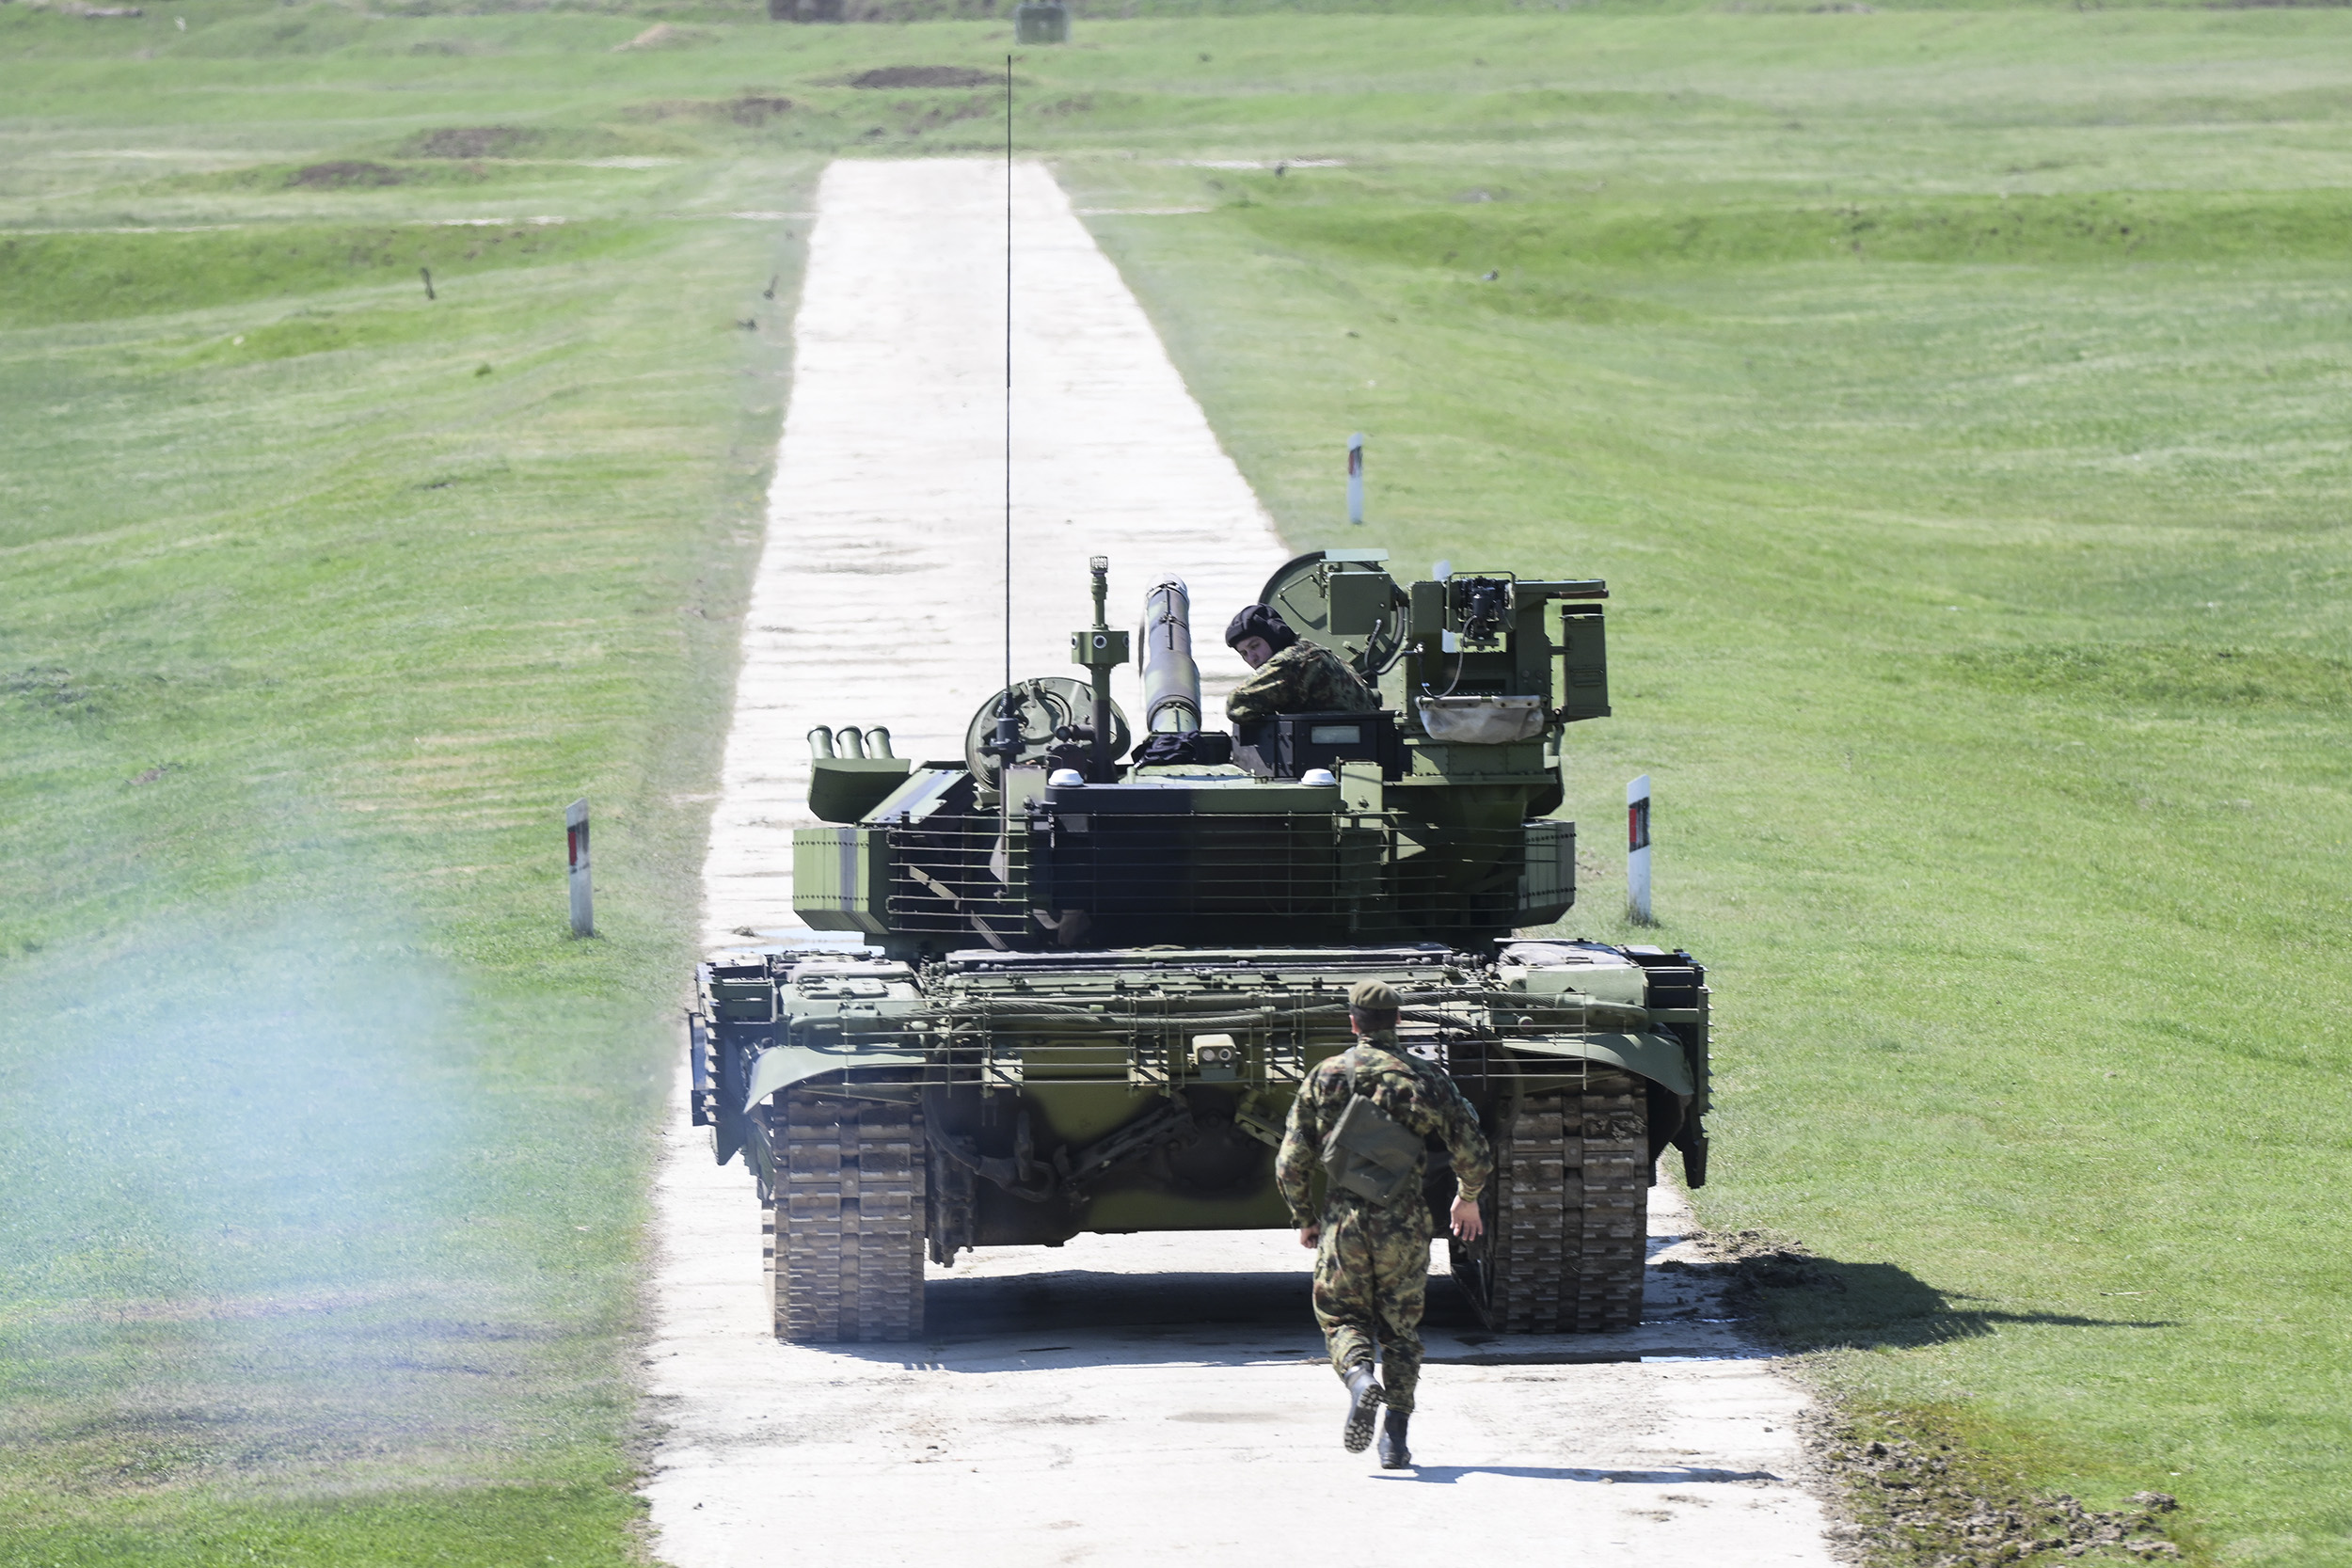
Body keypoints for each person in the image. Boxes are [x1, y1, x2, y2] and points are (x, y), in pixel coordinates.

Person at [1276, 978, 1492, 1469]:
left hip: (1343, 1220)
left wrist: (1305, 1218)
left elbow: (1291, 1162)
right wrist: (1468, 1199)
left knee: (1341, 1318)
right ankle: (1395, 1437)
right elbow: (1472, 1151)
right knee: (1401, 1330)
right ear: (1399, 1020)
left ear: (1352, 1022)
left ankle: (1358, 1378)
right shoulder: (1426, 1078)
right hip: (1406, 1221)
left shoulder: (1325, 1075)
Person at [1223, 604, 1380, 725]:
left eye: (1255, 646)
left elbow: (1237, 704)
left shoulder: (1290, 661)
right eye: (1244, 653)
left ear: (1274, 636)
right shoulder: (1312, 650)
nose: (1252, 657)